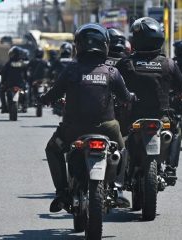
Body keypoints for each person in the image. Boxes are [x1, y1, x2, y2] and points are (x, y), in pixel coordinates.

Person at [40, 23, 135, 213]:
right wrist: (131, 98)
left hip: (73, 129)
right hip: (107, 127)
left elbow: (54, 93)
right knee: (123, 150)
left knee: (52, 149)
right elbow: (125, 97)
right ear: (104, 45)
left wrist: (43, 99)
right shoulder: (111, 71)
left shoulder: (70, 70)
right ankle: (117, 189)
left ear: (79, 45)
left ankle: (61, 193)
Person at [116, 17, 182, 178]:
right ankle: (171, 168)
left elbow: (113, 86)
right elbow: (181, 90)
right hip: (162, 117)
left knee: (115, 136)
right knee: (176, 132)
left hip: (131, 118)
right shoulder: (169, 64)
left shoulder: (126, 63)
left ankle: (116, 176)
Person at [0, 46, 27, 112]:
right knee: (26, 91)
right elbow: (26, 74)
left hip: (10, 84)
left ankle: (4, 106)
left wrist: (2, 82)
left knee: (1, 91)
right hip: (20, 85)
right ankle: (24, 106)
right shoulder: (22, 63)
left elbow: (4, 73)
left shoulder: (8, 64)